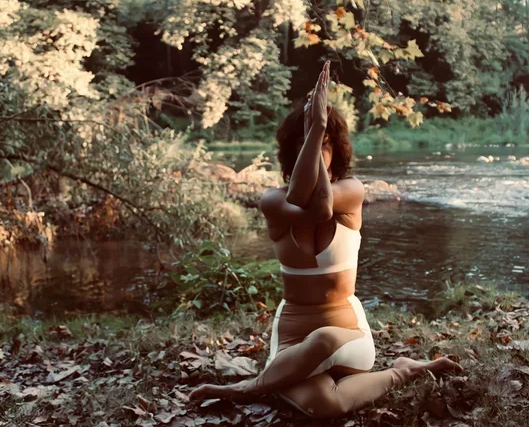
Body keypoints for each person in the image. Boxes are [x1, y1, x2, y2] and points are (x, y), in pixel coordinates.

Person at [189, 61, 462, 418]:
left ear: (339, 148)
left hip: (347, 335)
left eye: (327, 144)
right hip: (292, 340)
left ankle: (249, 387)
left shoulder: (352, 191)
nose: (319, 151)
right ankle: (404, 369)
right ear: (292, 152)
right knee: (323, 405)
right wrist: (315, 131)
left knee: (324, 338)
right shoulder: (272, 200)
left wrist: (317, 128)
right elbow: (303, 199)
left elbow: (321, 208)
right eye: (305, 144)